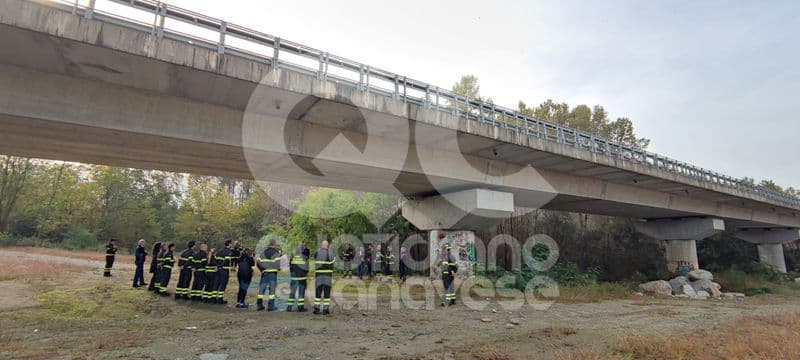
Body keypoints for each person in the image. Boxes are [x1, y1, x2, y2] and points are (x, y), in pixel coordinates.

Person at [256, 239, 282, 311]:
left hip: (264, 273)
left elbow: (258, 263)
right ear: (274, 244)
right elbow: (277, 264)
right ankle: (271, 306)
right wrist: (278, 268)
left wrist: (262, 269)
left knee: (262, 289)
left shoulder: (263, 252)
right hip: (272, 274)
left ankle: (259, 305)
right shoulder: (276, 253)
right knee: (272, 290)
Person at [313, 240, 335, 315]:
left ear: (322, 245)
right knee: (327, 293)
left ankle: (316, 309)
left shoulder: (317, 253)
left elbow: (315, 257)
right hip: (327, 276)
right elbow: (333, 261)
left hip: (318, 276)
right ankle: (325, 310)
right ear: (327, 246)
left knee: (318, 293)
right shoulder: (330, 253)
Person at [287, 243, 309, 312]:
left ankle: (289, 307)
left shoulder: (293, 256)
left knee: (292, 292)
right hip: (302, 277)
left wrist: (292, 273)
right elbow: (307, 268)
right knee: (301, 293)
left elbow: (290, 266)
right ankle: (300, 307)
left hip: (294, 276)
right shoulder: (304, 257)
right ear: (302, 249)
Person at [214, 240, 234, 305]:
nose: (232, 245)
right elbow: (226, 261)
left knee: (216, 284)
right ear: (229, 244)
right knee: (223, 285)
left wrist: (217, 266)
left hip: (218, 270)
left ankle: (214, 298)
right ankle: (220, 299)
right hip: (224, 270)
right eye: (231, 244)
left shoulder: (219, 251)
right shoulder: (228, 251)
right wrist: (220, 266)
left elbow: (215, 259)